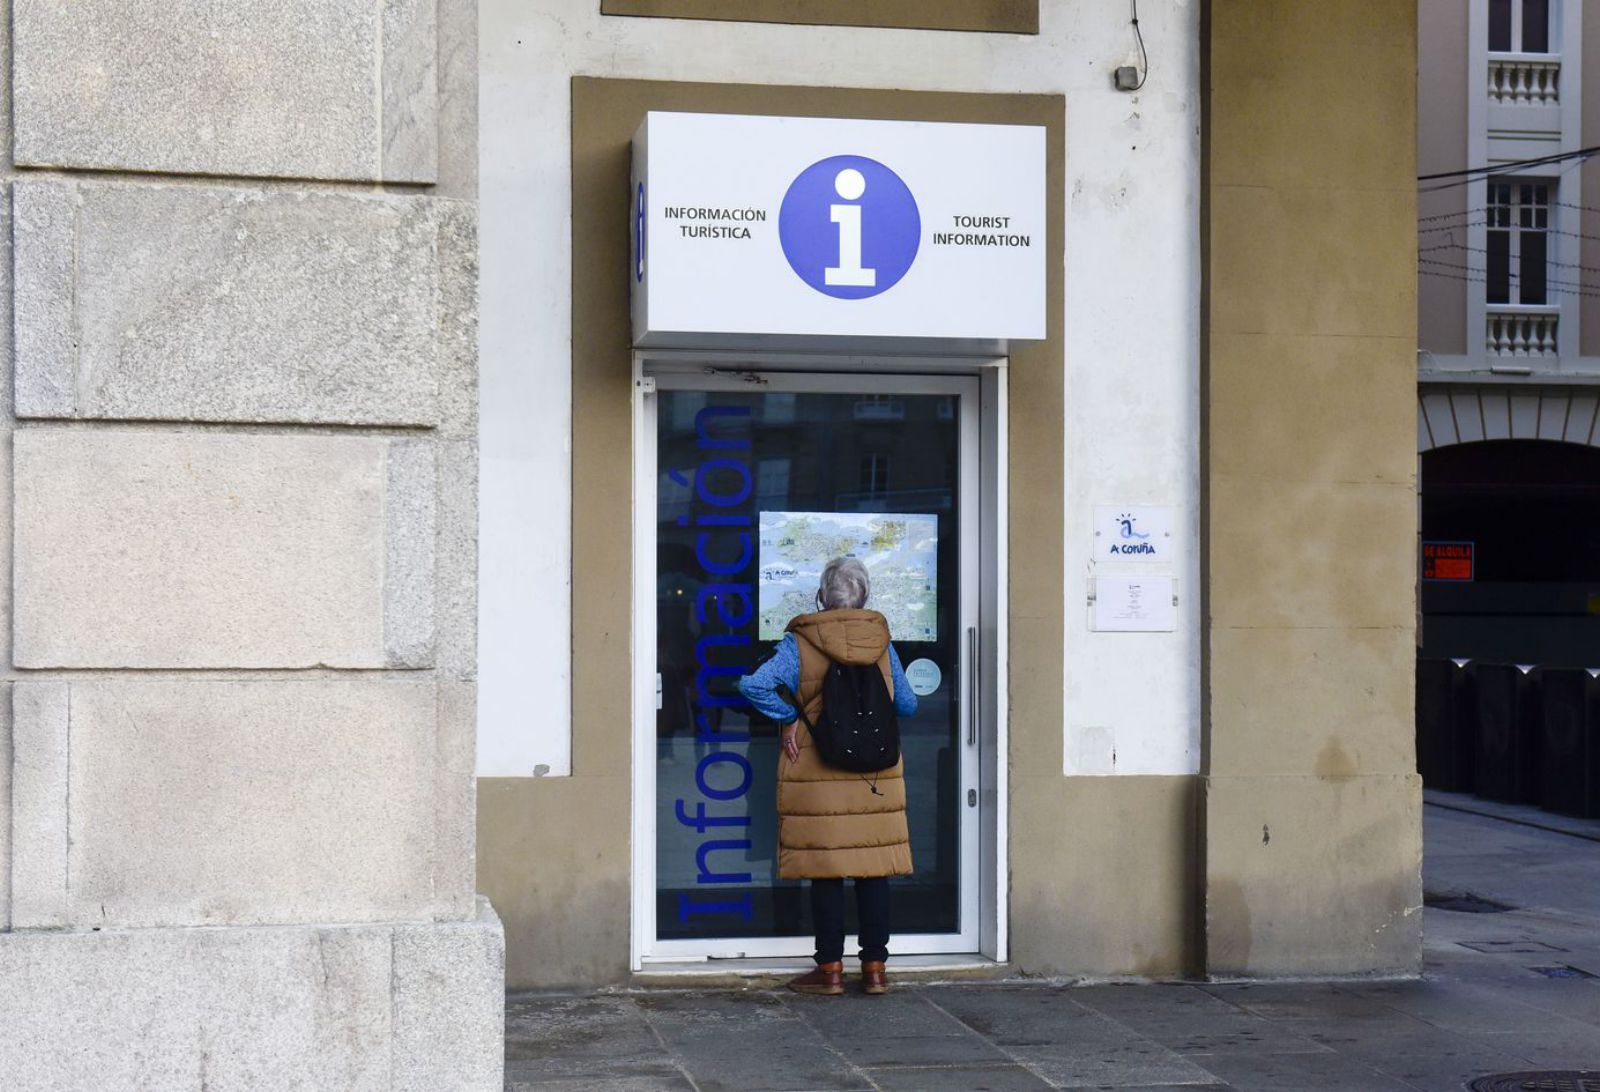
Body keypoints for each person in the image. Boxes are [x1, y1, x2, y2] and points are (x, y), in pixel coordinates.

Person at [738, 557, 919, 996]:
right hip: (876, 774)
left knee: (827, 870)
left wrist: (790, 716)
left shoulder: (798, 642)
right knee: (875, 867)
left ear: (821, 596)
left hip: (820, 769)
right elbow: (908, 704)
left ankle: (831, 970)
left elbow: (754, 684)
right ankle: (875, 968)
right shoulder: (881, 642)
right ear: (866, 596)